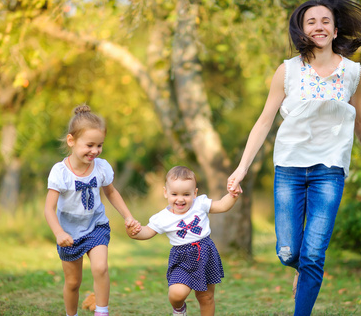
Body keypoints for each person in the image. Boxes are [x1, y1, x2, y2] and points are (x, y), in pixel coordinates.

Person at [227, 0, 361, 315]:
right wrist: (242, 168)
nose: (319, 26)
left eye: (325, 20)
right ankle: (299, 269)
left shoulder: (352, 73)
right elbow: (264, 120)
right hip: (289, 169)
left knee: (314, 254)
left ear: (336, 29)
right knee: (288, 252)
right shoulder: (288, 70)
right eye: (311, 21)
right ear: (302, 29)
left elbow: (360, 119)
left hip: (330, 170)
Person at [44, 104, 139, 316]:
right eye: (89, 145)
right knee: (73, 282)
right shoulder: (60, 173)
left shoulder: (101, 167)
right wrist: (59, 232)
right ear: (71, 141)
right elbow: (49, 209)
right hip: (69, 231)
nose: (95, 151)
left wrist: (128, 216)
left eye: (100, 145)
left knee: (100, 268)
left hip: (96, 225)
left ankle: (102, 312)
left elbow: (112, 193)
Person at [126, 166, 241, 316]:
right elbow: (147, 231)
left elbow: (222, 205)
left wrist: (232, 195)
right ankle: (179, 308)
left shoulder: (200, 204)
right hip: (182, 258)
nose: (180, 199)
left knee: (205, 296)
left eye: (186, 194)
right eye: (174, 194)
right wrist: (134, 232)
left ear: (195, 193)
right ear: (166, 193)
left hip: (204, 252)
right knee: (176, 294)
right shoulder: (163, 217)